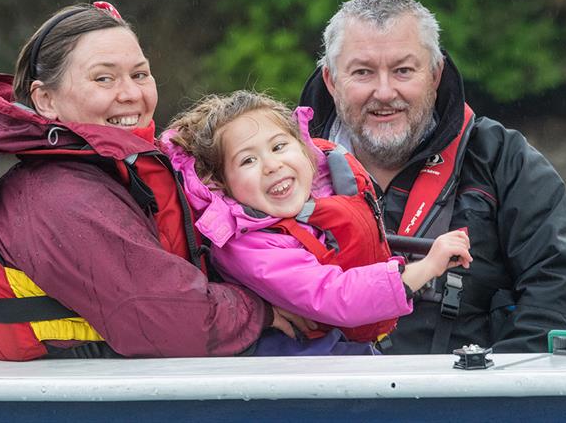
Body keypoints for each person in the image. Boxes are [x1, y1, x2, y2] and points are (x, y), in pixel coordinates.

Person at [0, 1, 311, 361]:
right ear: (45, 100)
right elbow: (166, 320)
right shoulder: (60, 196)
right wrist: (260, 309)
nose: (131, 94)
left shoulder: (113, 170)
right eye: (103, 78)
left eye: (139, 75)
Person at [300, 0, 566, 354]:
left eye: (403, 70)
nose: (384, 91)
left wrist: (481, 392)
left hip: (468, 400)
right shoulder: (269, 168)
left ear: (435, 74)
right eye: (363, 72)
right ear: (331, 81)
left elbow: (563, 300)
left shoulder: (504, 160)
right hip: (318, 398)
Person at [160, 90, 472, 345]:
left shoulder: (314, 205)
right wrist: (427, 267)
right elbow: (336, 297)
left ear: (306, 149)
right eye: (248, 160)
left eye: (279, 146)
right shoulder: (247, 247)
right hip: (296, 374)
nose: (271, 165)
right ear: (222, 185)